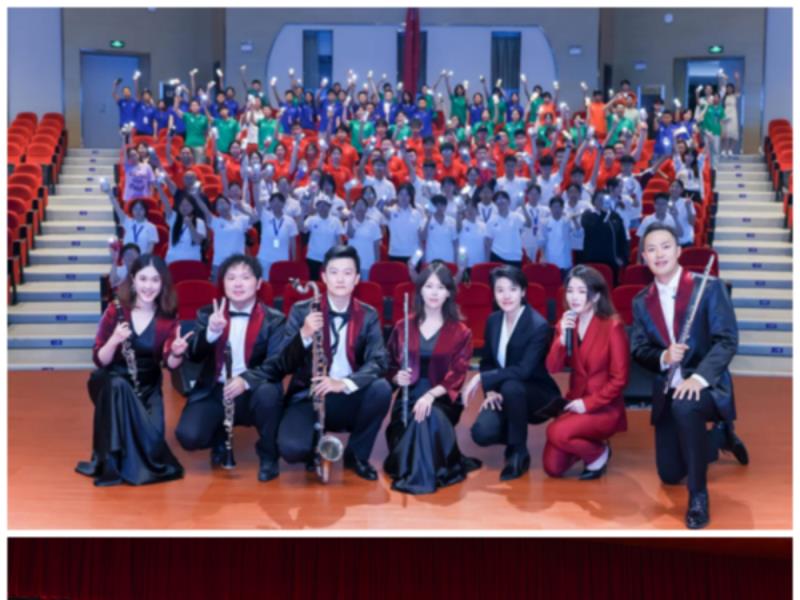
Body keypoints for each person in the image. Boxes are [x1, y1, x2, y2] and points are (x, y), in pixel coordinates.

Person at [630, 223, 749, 529]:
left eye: (665, 246)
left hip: (706, 384)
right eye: (651, 249)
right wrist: (663, 356)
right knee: (670, 474)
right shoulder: (641, 301)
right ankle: (720, 436)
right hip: (669, 387)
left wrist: (698, 379)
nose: (659, 254)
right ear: (644, 257)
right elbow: (639, 349)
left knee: (686, 405)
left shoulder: (708, 287)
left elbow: (727, 341)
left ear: (679, 251)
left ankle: (698, 496)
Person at [243, 245, 392, 480]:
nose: (340, 279)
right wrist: (303, 334)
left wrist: (343, 383)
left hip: (348, 395)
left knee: (381, 389)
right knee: (291, 450)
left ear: (356, 279)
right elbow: (282, 365)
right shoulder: (301, 311)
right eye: (334, 272)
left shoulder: (369, 314)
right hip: (308, 395)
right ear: (323, 277)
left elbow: (379, 361)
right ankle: (313, 448)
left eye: (347, 273)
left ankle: (357, 456)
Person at [76, 254, 187, 486]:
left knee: (152, 447)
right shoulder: (115, 310)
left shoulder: (167, 317)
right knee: (117, 385)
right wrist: (114, 340)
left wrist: (177, 352)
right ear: (133, 279)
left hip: (147, 386)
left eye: (155, 280)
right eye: (143, 279)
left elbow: (170, 363)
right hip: (112, 381)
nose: (148, 286)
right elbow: (99, 360)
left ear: (163, 283)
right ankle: (112, 464)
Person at [175, 255, 287, 482]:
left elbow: (276, 364)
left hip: (255, 390)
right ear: (223, 283)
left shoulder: (275, 320)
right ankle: (219, 437)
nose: (238, 284)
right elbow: (194, 356)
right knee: (189, 436)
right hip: (216, 390)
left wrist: (245, 380)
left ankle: (268, 455)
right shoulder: (207, 314)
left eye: (245, 278)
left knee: (269, 394)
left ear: (258, 283)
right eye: (231, 278)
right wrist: (211, 333)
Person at [384, 262, 480, 493]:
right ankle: (429, 471)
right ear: (420, 290)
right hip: (408, 398)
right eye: (429, 286)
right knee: (419, 416)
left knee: (428, 415)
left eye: (441, 287)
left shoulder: (461, 331)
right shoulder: (402, 326)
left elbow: (457, 375)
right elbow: (388, 365)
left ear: (449, 293)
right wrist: (397, 377)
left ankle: (416, 475)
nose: (434, 292)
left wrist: (429, 396)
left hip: (441, 397)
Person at [466, 265, 562, 481]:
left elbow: (524, 370)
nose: (506, 296)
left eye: (512, 289)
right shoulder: (493, 320)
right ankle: (513, 433)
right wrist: (490, 391)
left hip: (537, 394)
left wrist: (483, 378)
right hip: (504, 392)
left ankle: (518, 451)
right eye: (500, 290)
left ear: (523, 291)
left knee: (511, 387)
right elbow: (487, 362)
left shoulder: (538, 325)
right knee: (481, 433)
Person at [543, 265, 629, 479]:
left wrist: (588, 404)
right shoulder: (566, 323)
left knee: (555, 432)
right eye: (570, 291)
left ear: (597, 295)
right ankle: (589, 442)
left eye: (582, 291)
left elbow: (620, 379)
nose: (574, 297)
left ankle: (599, 454)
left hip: (602, 406)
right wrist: (560, 340)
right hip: (575, 401)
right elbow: (552, 368)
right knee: (552, 467)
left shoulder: (612, 326)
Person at [194, 194, 252, 281]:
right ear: (216, 209)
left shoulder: (241, 219)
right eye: (219, 204)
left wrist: (242, 209)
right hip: (219, 263)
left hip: (239, 263)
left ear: (229, 205)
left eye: (224, 202)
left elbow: (256, 218)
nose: (222, 205)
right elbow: (204, 209)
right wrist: (196, 196)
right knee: (218, 288)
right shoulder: (214, 221)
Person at [580, 191, 628, 284]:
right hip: (593, 260)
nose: (602, 202)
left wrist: (622, 257)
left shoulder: (615, 216)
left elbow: (622, 238)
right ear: (593, 201)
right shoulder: (588, 215)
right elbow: (592, 228)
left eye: (605, 199)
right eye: (599, 199)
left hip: (612, 260)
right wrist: (603, 214)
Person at [103, 178, 158, 255]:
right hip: (127, 258)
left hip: (142, 259)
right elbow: (117, 207)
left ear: (145, 211)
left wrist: (142, 260)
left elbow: (150, 249)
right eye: (135, 209)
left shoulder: (151, 227)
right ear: (132, 211)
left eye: (141, 209)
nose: (138, 211)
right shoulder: (128, 222)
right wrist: (109, 192)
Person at [158, 186, 208, 264]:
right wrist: (159, 187)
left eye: (187, 205)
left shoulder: (199, 222)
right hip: (172, 261)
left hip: (192, 260)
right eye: (182, 205)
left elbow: (198, 241)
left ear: (193, 207)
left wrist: (190, 225)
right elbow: (166, 203)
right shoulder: (174, 218)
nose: (184, 208)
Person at [301, 195, 346, 280]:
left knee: (330, 281)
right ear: (316, 207)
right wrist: (302, 213)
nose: (322, 207)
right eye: (319, 205)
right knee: (313, 283)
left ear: (329, 207)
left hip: (330, 258)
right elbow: (303, 230)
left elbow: (339, 241)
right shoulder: (311, 219)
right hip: (313, 257)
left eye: (325, 205)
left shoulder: (336, 221)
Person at [485, 190, 532, 267]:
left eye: (503, 198)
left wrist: (523, 206)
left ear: (509, 201)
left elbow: (529, 224)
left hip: (515, 257)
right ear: (495, 203)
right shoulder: (491, 220)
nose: (500, 201)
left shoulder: (517, 216)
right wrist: (487, 261)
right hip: (497, 255)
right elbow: (488, 242)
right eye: (498, 199)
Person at [346, 194, 383, 281]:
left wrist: (377, 263)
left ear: (366, 209)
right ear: (353, 208)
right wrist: (350, 220)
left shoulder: (373, 224)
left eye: (362, 204)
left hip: (368, 263)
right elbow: (350, 234)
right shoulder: (349, 223)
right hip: (353, 264)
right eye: (358, 204)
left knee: (367, 287)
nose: (360, 207)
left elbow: (376, 246)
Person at [720, 71, 742, 156]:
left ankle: (730, 149)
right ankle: (723, 149)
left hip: (733, 115)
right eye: (728, 88)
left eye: (730, 88)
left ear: (732, 89)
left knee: (733, 133)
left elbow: (738, 89)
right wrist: (724, 80)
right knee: (725, 133)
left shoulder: (735, 95)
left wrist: (737, 80)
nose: (729, 89)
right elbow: (722, 88)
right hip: (725, 114)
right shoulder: (724, 96)